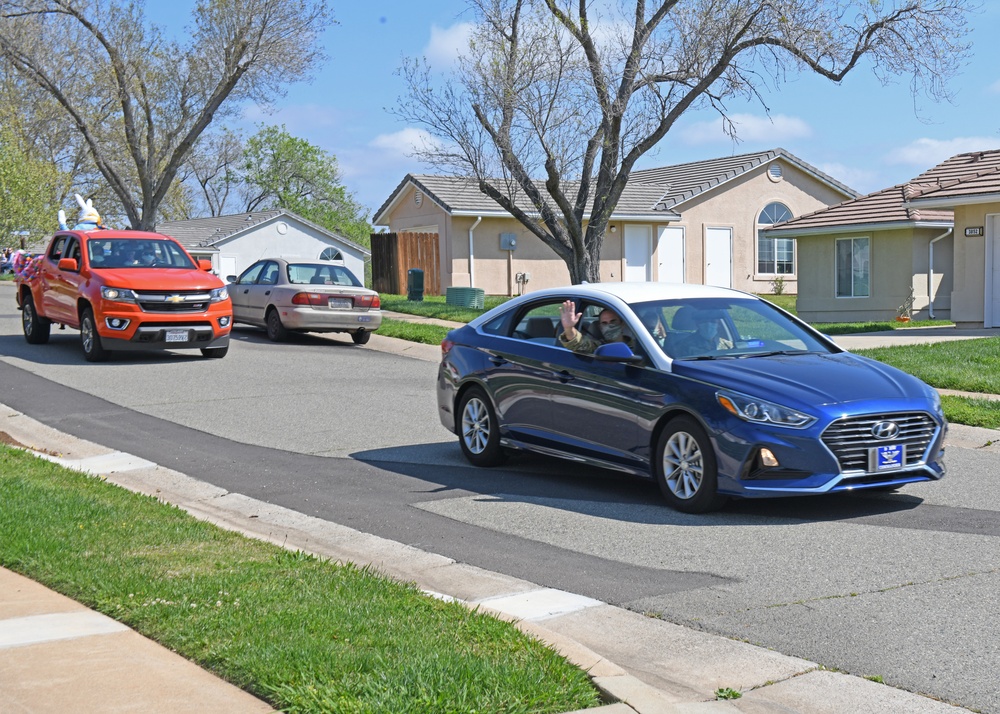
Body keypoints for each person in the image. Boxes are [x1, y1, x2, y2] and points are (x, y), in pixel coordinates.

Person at [557, 299, 637, 354]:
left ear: (622, 324)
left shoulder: (639, 345)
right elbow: (578, 343)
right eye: (604, 323)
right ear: (600, 327)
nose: (609, 325)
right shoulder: (598, 347)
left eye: (613, 321)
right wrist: (569, 328)